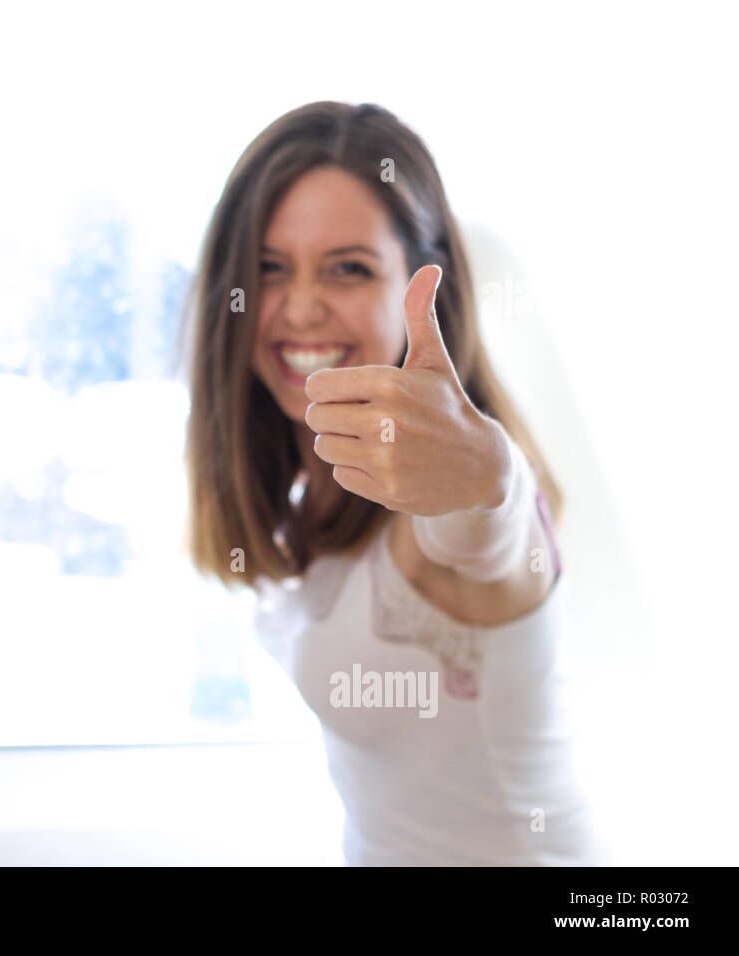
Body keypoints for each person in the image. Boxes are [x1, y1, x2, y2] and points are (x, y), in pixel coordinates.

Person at [181, 101, 609, 865]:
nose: (302, 306)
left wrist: (486, 473)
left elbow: (489, 524)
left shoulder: (443, 507)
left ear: (425, 289)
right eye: (269, 270)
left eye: (349, 268)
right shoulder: (306, 491)